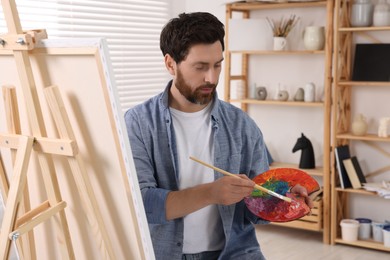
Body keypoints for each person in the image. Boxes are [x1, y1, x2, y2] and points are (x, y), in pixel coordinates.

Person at [125, 12, 312, 260]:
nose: (211, 78)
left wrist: (283, 200)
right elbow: (143, 204)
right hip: (163, 253)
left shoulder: (242, 125)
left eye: (217, 65)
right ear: (170, 64)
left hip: (233, 253)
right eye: (200, 67)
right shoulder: (138, 123)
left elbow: (256, 203)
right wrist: (211, 193)